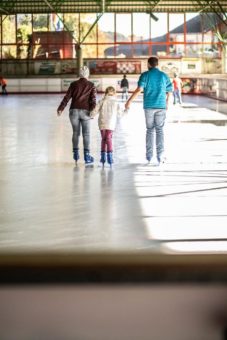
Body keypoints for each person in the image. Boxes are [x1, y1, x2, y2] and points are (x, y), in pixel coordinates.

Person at [125, 56, 172, 165]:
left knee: (150, 130)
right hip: (161, 106)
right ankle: (160, 156)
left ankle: (149, 156)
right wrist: (167, 102)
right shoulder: (164, 76)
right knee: (159, 130)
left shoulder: (145, 75)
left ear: (149, 64)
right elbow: (169, 90)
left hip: (149, 106)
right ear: (157, 64)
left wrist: (129, 101)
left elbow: (139, 89)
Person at [57, 66, 96, 165]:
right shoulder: (91, 85)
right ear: (88, 74)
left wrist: (61, 108)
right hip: (86, 112)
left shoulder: (73, 84)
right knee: (86, 134)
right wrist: (92, 111)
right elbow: (93, 100)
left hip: (73, 111)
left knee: (75, 133)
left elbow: (67, 97)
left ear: (79, 74)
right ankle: (87, 156)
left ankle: (75, 154)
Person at [91, 86, 124, 167]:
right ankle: (110, 157)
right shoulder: (116, 102)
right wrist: (126, 110)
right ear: (114, 93)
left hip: (102, 122)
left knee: (103, 139)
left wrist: (91, 114)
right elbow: (120, 114)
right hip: (111, 123)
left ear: (105, 93)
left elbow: (95, 111)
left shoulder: (102, 101)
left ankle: (102, 157)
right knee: (109, 139)